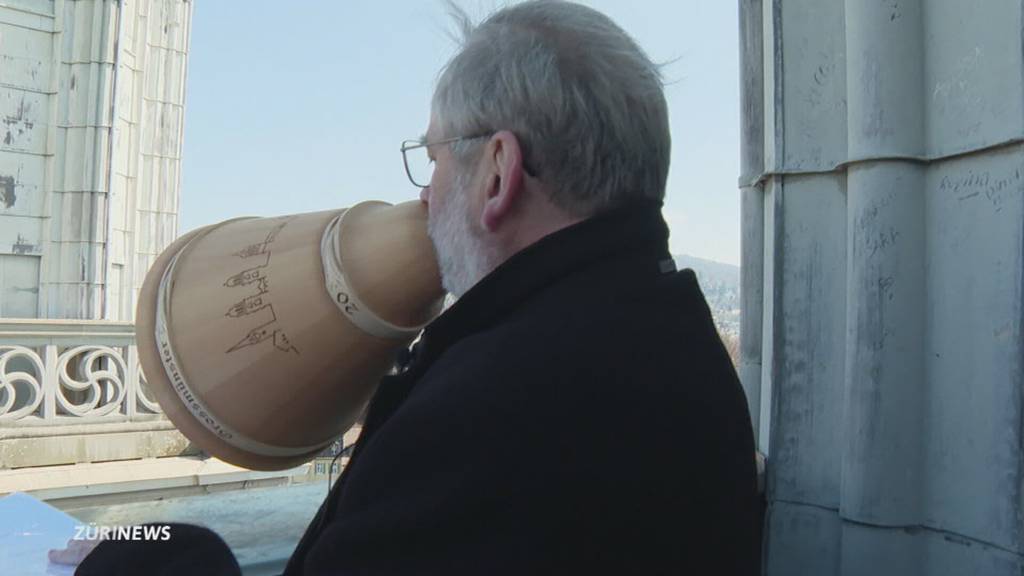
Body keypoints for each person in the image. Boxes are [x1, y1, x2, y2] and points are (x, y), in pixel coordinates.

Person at [71, 1, 759, 574]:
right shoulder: (661, 333)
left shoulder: (499, 407)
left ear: (497, 171)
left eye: (432, 157)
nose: (427, 197)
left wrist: (146, 552)